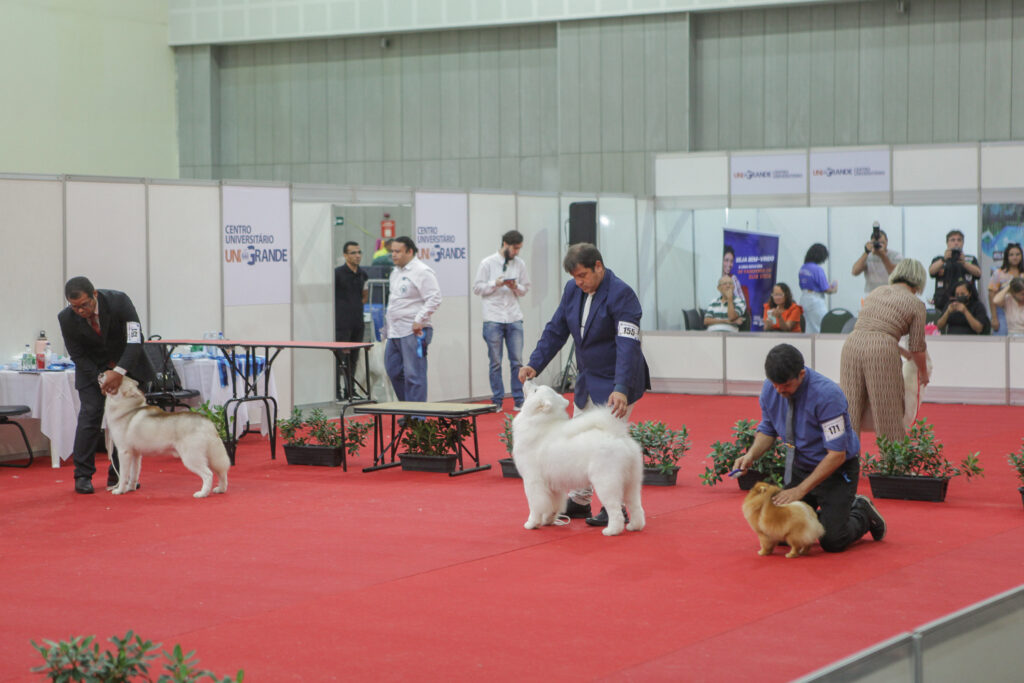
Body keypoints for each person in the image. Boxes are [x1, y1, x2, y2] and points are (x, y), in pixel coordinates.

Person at [518, 243, 650, 527]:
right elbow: (556, 329)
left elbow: (628, 345)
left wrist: (621, 388)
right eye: (574, 277)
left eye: (582, 275)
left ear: (598, 267)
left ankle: (614, 508)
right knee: (578, 442)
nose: (578, 282)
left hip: (618, 380)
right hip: (588, 378)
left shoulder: (622, 294)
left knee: (606, 445)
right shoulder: (572, 290)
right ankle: (579, 501)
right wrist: (534, 364)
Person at [731, 343, 886, 553]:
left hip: (836, 471)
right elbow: (768, 429)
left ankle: (861, 512)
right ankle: (820, 519)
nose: (779, 390)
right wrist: (750, 455)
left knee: (832, 540)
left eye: (785, 385)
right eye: (775, 384)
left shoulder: (828, 395)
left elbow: (837, 455)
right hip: (800, 466)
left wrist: (800, 490)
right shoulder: (770, 388)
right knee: (780, 532)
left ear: (801, 374)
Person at [58, 277, 154, 494]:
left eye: (84, 304)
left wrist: (119, 372)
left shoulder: (119, 301)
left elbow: (134, 339)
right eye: (74, 307)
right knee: (90, 415)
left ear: (94, 294)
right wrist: (102, 378)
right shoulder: (66, 318)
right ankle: (83, 475)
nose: (80, 311)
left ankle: (119, 475)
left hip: (128, 367)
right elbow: (77, 355)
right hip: (92, 372)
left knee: (127, 422)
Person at [839, 259, 930, 440]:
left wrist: (902, 352)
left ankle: (845, 455)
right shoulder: (916, 304)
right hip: (882, 350)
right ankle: (892, 456)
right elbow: (917, 347)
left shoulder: (876, 292)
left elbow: (875, 329)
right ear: (920, 280)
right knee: (888, 412)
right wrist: (923, 372)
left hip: (852, 344)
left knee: (850, 410)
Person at [472, 230, 530, 411]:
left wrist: (515, 286)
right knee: (495, 362)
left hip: (514, 316)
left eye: (519, 249)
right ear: (505, 244)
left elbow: (525, 289)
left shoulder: (520, 264)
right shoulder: (487, 263)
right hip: (493, 317)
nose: (516, 252)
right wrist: (495, 284)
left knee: (517, 361)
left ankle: (519, 399)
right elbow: (477, 288)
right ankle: (497, 400)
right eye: (514, 248)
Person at [384, 236, 442, 403]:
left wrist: (419, 319)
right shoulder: (395, 272)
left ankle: (417, 414)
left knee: (414, 375)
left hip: (414, 331)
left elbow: (435, 298)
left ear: (409, 251)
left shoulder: (422, 271)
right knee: (393, 371)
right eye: (392, 251)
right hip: (395, 331)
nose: (394, 255)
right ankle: (408, 407)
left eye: (398, 251)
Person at [334, 241, 369, 399]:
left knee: (354, 358)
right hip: (341, 323)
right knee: (339, 358)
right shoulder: (338, 274)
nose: (357, 256)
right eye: (353, 253)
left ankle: (350, 390)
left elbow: (364, 295)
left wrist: (356, 307)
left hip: (357, 322)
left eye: (359, 252)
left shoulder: (363, 274)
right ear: (345, 255)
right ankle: (336, 391)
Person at [928, 229, 981, 311]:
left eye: (959, 240)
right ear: (947, 243)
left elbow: (978, 273)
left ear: (963, 243)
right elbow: (931, 271)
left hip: (967, 304)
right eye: (953, 240)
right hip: (943, 303)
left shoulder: (970, 259)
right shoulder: (939, 259)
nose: (956, 243)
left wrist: (964, 263)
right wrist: (944, 260)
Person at [850, 222, 902, 294]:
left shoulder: (895, 256)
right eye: (876, 243)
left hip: (890, 294)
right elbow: (854, 272)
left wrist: (883, 256)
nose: (879, 245)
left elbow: (895, 274)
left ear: (887, 241)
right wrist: (866, 252)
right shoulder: (868, 256)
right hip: (872, 294)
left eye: (882, 243)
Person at [798, 243, 838, 334]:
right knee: (824, 325)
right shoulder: (817, 269)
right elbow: (826, 289)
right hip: (815, 300)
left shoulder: (803, 268)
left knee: (808, 328)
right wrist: (835, 287)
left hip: (804, 299)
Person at [987, 243, 1022, 335]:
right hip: (1002, 311)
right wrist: (994, 318)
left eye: (1017, 254)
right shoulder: (998, 273)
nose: (1015, 257)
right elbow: (991, 295)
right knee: (1001, 339)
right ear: (1006, 257)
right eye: (1011, 255)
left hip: (1021, 312)